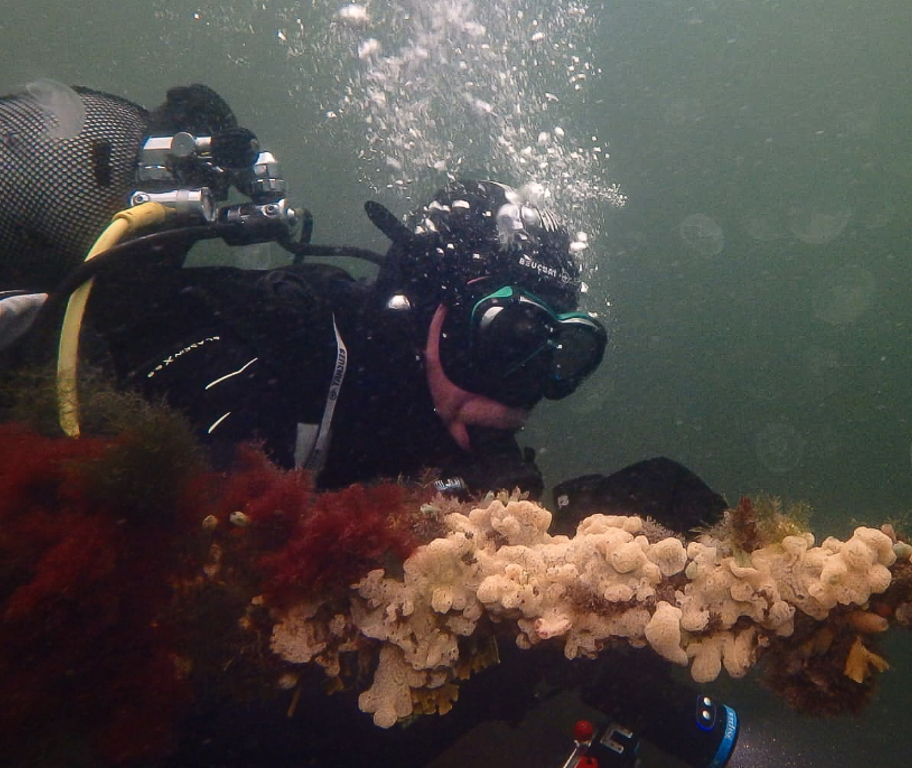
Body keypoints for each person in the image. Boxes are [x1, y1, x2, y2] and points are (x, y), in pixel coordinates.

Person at [1, 82, 734, 766]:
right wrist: (529, 648)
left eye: (560, 352)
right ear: (424, 311)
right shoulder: (256, 365)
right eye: (507, 339)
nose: (522, 390)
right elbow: (222, 718)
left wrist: (584, 551)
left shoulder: (438, 423)